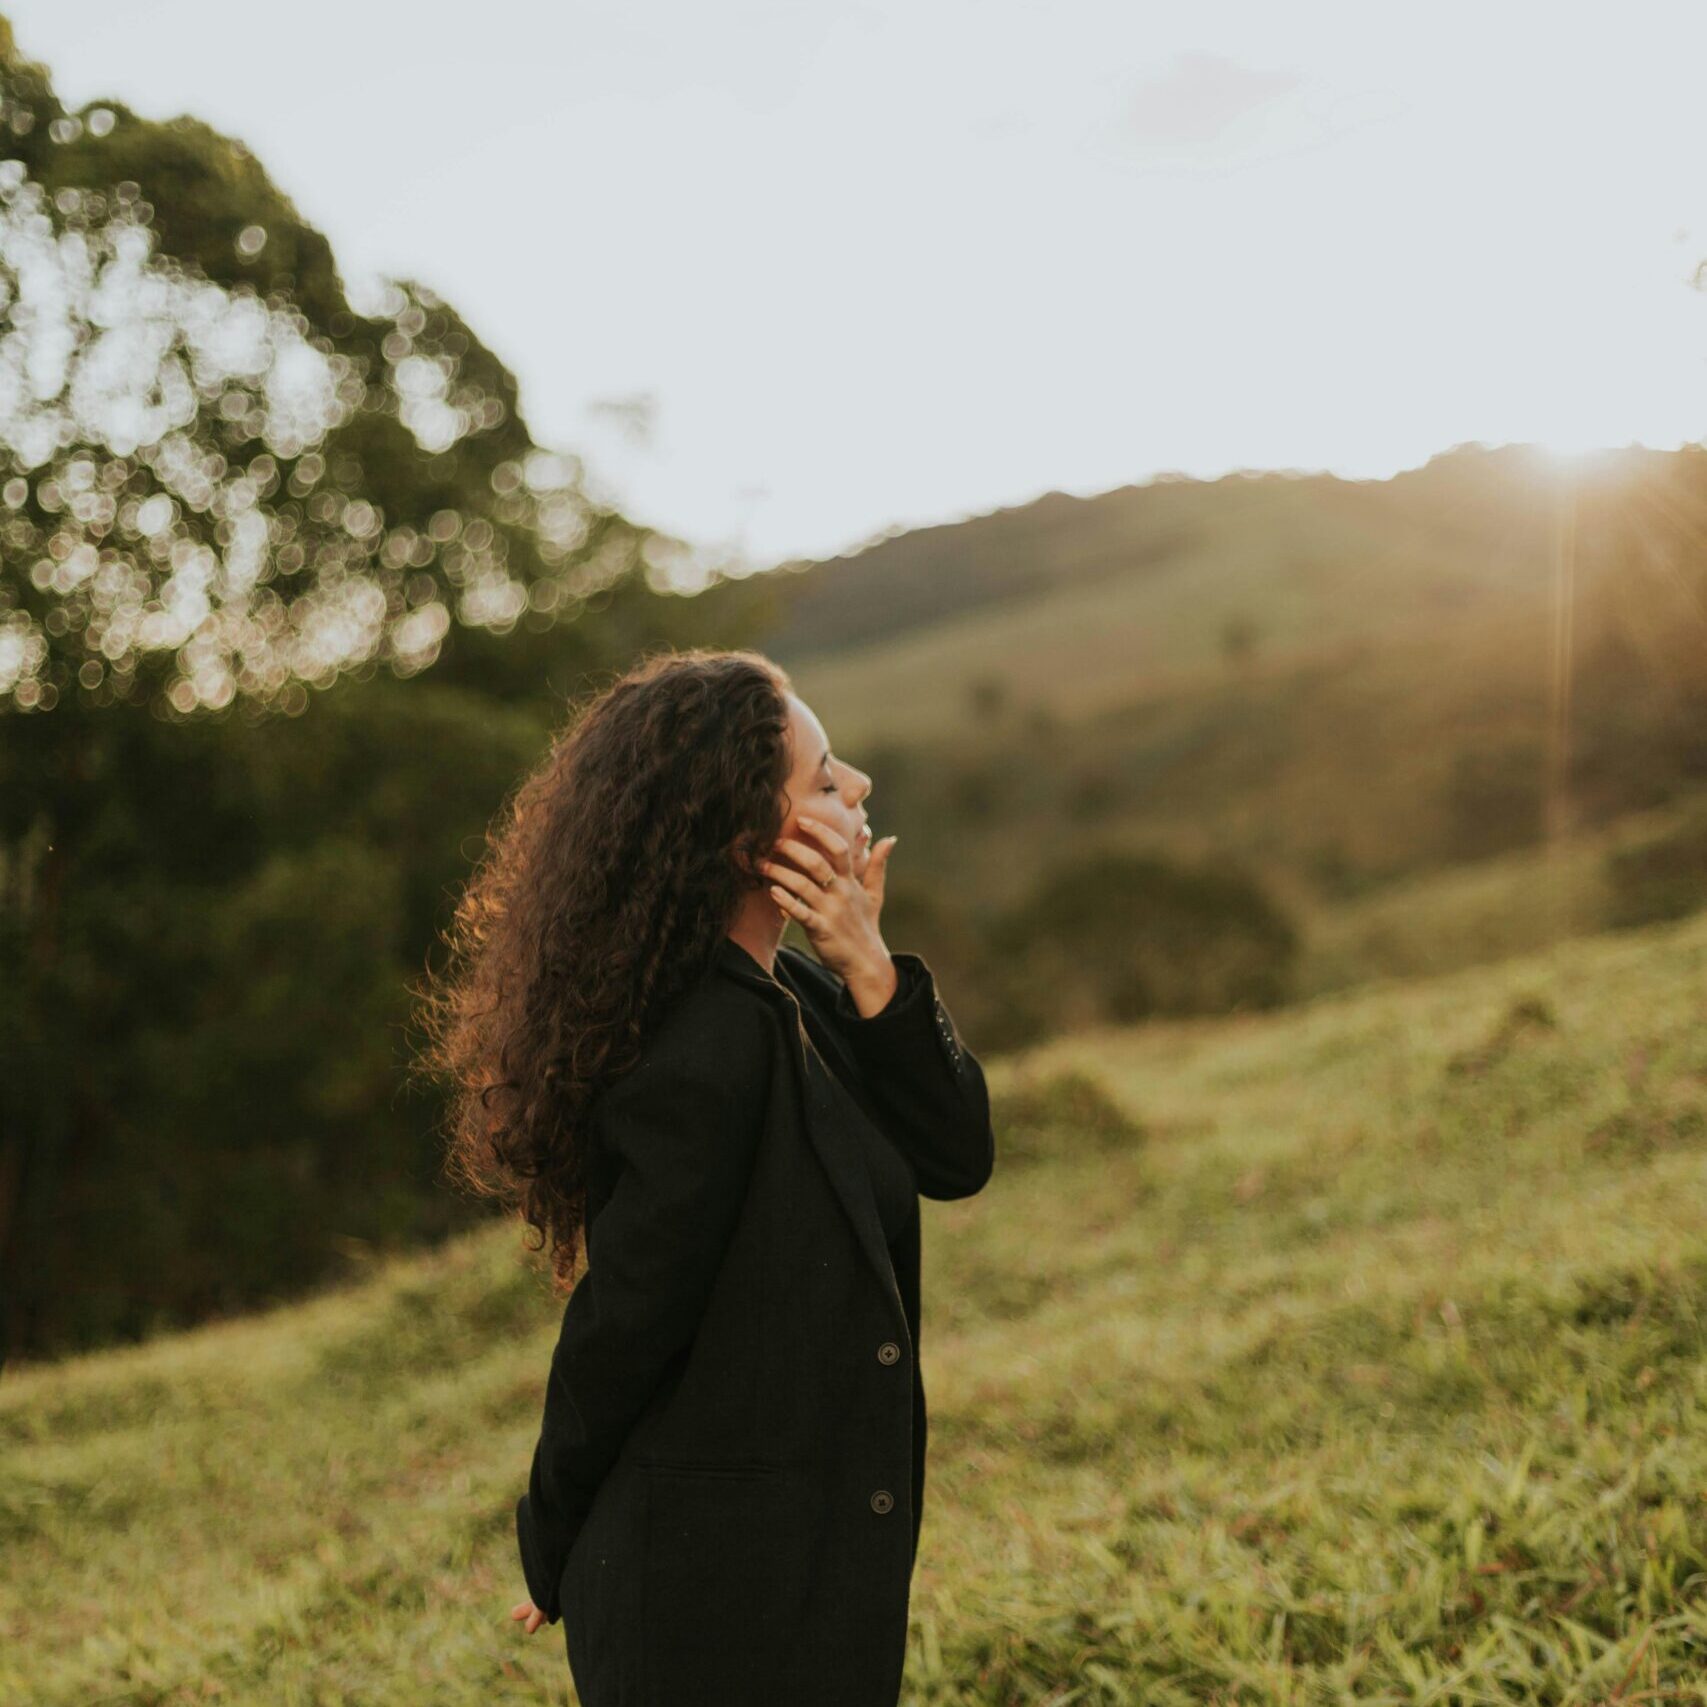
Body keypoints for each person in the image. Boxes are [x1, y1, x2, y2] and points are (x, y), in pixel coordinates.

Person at [415, 646, 994, 1704]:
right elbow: (623, 1327)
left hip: (793, 1564)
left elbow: (957, 1156)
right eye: (823, 781)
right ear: (743, 839)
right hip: (710, 1599)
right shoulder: (701, 1047)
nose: (858, 787)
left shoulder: (803, 995)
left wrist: (870, 965)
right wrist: (552, 1539)